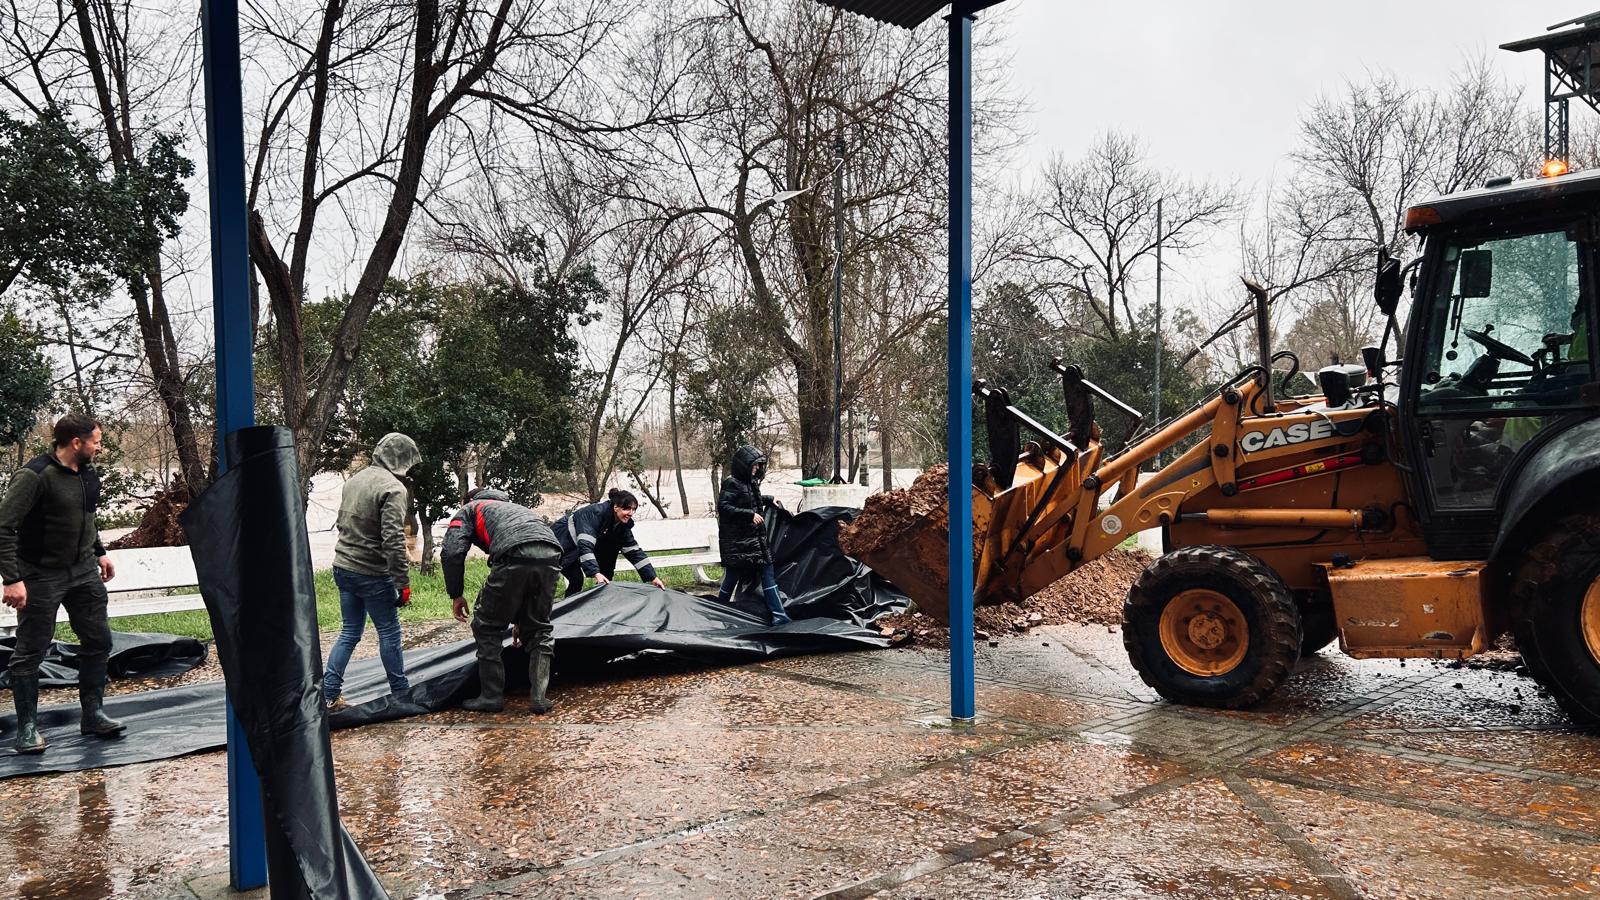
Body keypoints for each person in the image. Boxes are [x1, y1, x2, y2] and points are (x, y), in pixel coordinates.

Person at [0, 414, 124, 753]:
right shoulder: (35, 476)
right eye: (96, 441)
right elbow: (5, 528)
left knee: (99, 641)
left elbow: (87, 518)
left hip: (84, 572)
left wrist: (99, 552)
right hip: (40, 574)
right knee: (30, 651)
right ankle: (27, 729)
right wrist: (12, 579)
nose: (100, 447)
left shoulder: (87, 474)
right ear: (75, 443)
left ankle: (93, 715)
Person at [322, 432, 422, 710]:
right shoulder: (393, 489)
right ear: (402, 460)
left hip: (342, 566)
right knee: (389, 632)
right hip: (371, 574)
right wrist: (403, 583)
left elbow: (343, 522)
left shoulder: (355, 480)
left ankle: (329, 695)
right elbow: (392, 540)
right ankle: (401, 694)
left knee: (350, 631)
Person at [442, 487, 563, 714]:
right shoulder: (518, 509)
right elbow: (529, 562)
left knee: (487, 626)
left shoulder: (470, 508)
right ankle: (539, 697)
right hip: (553, 555)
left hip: (513, 554)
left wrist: (456, 594)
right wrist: (520, 620)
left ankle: (491, 696)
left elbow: (452, 552)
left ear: (468, 499)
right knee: (539, 629)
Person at [715, 445, 791, 625]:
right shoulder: (731, 482)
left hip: (754, 540)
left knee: (767, 572)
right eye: (754, 465)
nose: (756, 468)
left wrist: (769, 498)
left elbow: (751, 500)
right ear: (744, 465)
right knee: (732, 576)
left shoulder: (751, 483)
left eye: (758, 466)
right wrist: (749, 515)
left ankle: (779, 616)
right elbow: (724, 507)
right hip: (738, 542)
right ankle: (719, 609)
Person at [553, 488, 665, 597]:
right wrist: (596, 573)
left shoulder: (622, 526)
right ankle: (553, 612)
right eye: (627, 509)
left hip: (575, 551)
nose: (631, 513)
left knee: (577, 581)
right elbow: (585, 545)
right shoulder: (593, 514)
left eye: (633, 509)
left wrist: (653, 577)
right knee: (548, 586)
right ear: (616, 507)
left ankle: (571, 611)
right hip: (557, 546)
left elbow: (634, 552)